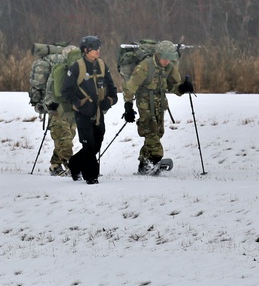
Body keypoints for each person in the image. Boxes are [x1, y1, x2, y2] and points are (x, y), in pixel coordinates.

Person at [121, 40, 194, 173]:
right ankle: (155, 157)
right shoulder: (145, 66)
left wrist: (183, 88)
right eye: (164, 58)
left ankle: (145, 163)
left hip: (160, 101)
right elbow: (130, 88)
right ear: (158, 55)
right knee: (150, 130)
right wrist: (128, 106)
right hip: (144, 101)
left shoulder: (169, 67)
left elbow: (174, 86)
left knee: (158, 131)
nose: (167, 61)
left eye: (169, 59)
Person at [62, 35, 118, 185]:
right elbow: (66, 91)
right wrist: (78, 104)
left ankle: (74, 164)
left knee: (98, 142)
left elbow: (111, 85)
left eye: (99, 48)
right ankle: (91, 176)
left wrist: (111, 100)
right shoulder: (76, 67)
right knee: (89, 144)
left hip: (98, 112)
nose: (98, 51)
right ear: (86, 50)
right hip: (83, 114)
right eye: (95, 48)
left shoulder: (101, 65)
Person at [45, 45, 79, 176]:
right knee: (65, 141)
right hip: (58, 112)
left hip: (72, 111)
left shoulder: (78, 73)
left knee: (66, 139)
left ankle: (55, 165)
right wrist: (50, 104)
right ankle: (72, 167)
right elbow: (49, 92)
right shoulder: (58, 72)